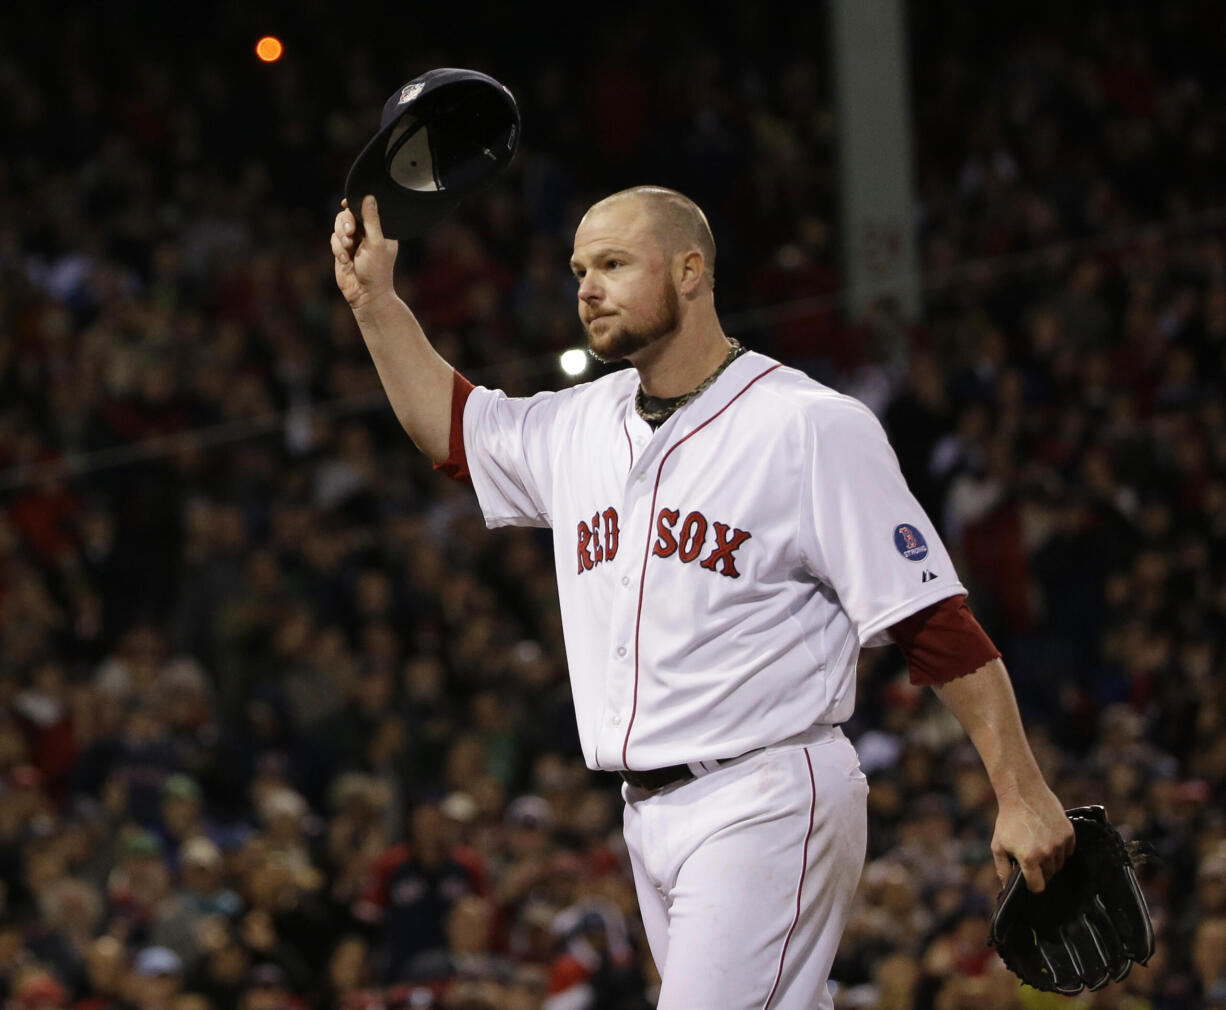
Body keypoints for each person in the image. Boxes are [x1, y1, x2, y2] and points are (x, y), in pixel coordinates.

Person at [330, 185, 1074, 1009]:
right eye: (579, 268)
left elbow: (933, 621)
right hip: (647, 812)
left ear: (691, 272)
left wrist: (1021, 791)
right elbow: (454, 427)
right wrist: (375, 303)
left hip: (765, 793)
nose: (587, 286)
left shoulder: (807, 424)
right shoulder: (582, 424)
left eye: (613, 263)